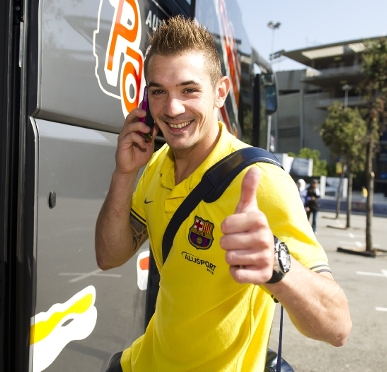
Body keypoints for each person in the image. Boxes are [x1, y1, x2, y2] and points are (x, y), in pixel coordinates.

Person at [95, 16, 351, 372]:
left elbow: (338, 327)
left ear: (220, 92)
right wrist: (124, 174)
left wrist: (278, 266)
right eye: (158, 91)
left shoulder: (260, 181)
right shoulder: (155, 164)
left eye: (189, 90)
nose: (172, 109)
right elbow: (108, 256)